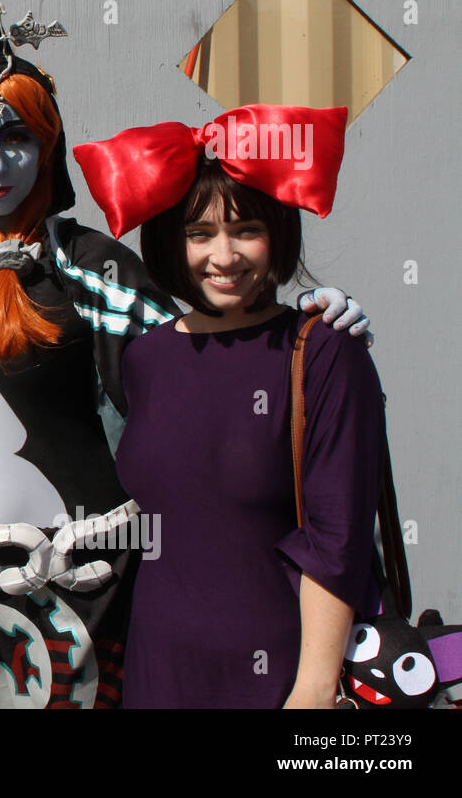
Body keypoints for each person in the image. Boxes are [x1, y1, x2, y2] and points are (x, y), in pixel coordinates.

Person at [0, 2, 368, 708]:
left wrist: (308, 320)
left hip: (80, 589)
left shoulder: (90, 267)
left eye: (16, 138)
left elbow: (208, 347)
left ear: (47, 145)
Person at [73, 105, 383, 707]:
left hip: (282, 677)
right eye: (199, 234)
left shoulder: (323, 353)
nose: (224, 255)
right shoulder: (145, 358)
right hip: (155, 671)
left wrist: (314, 692)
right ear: (170, 242)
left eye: (246, 229)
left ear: (278, 234)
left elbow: (337, 538)